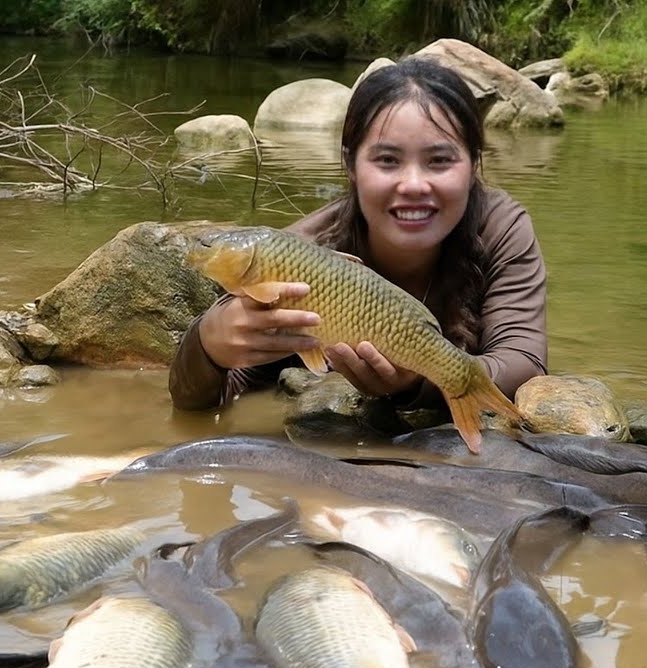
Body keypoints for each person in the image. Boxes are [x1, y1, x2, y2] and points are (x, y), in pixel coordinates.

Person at [169, 56, 547, 414]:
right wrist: (207, 348)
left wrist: (416, 382)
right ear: (350, 165)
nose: (413, 184)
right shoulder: (294, 255)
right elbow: (219, 398)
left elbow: (524, 363)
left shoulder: (501, 227)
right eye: (387, 160)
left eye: (440, 160)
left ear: (474, 164)